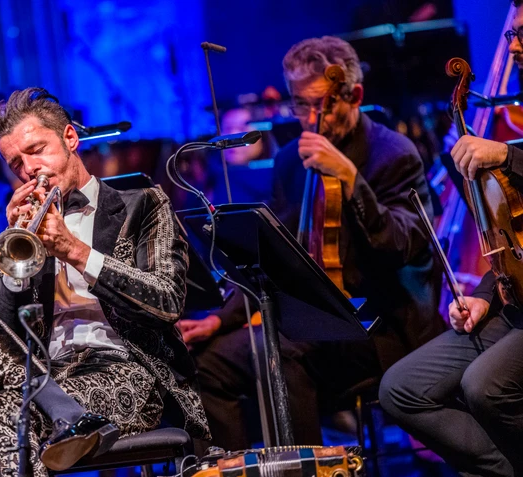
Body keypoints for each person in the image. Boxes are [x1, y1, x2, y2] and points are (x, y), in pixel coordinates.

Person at [0, 87, 209, 477]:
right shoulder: (28, 229)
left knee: (1, 412)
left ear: (70, 138)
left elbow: (165, 302)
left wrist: (73, 249)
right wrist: (15, 264)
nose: (28, 169)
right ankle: (64, 412)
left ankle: (61, 411)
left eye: (37, 149)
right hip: (53, 374)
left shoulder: (143, 203)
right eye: (15, 163)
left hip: (129, 371)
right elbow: (8, 338)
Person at [179, 36, 444, 449]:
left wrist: (352, 181)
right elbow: (272, 255)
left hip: (381, 326)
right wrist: (220, 318)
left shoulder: (394, 155)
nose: (310, 118)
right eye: (300, 104)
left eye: (322, 104)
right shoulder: (290, 161)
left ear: (354, 95)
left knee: (283, 350)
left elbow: (400, 246)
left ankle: (305, 467)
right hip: (314, 323)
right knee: (207, 362)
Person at [380, 3, 523, 475]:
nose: (515, 46)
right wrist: (485, 296)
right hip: (516, 304)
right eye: (510, 37)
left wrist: (506, 152)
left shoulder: (511, 141)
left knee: (485, 384)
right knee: (400, 389)